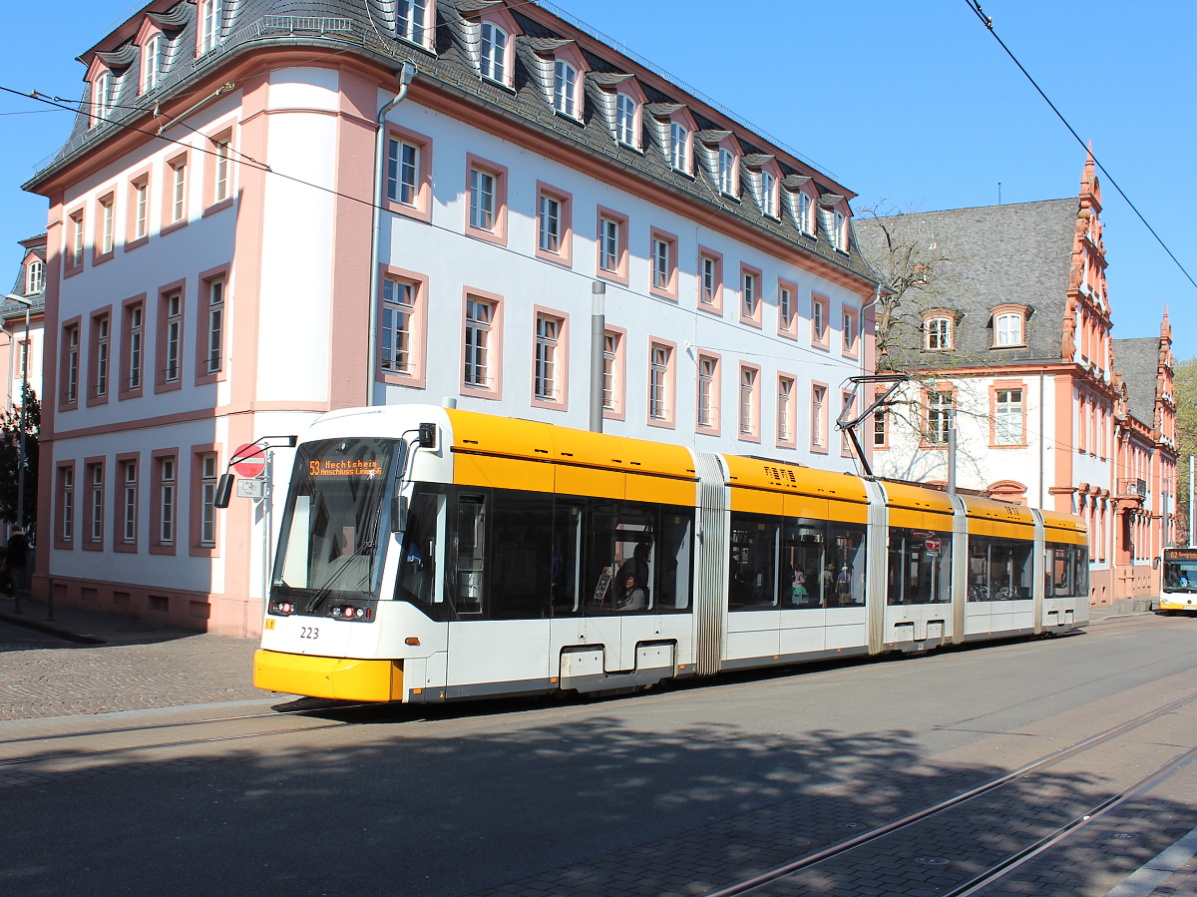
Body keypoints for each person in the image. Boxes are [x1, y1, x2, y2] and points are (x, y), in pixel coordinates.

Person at [4, 526, 29, 602]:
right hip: (22, 561)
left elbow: (10, 553)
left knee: (13, 576)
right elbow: (26, 547)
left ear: (13, 531)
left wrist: (7, 563)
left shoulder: (13, 539)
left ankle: (15, 594)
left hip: (14, 562)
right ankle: (17, 593)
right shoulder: (23, 538)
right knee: (18, 577)